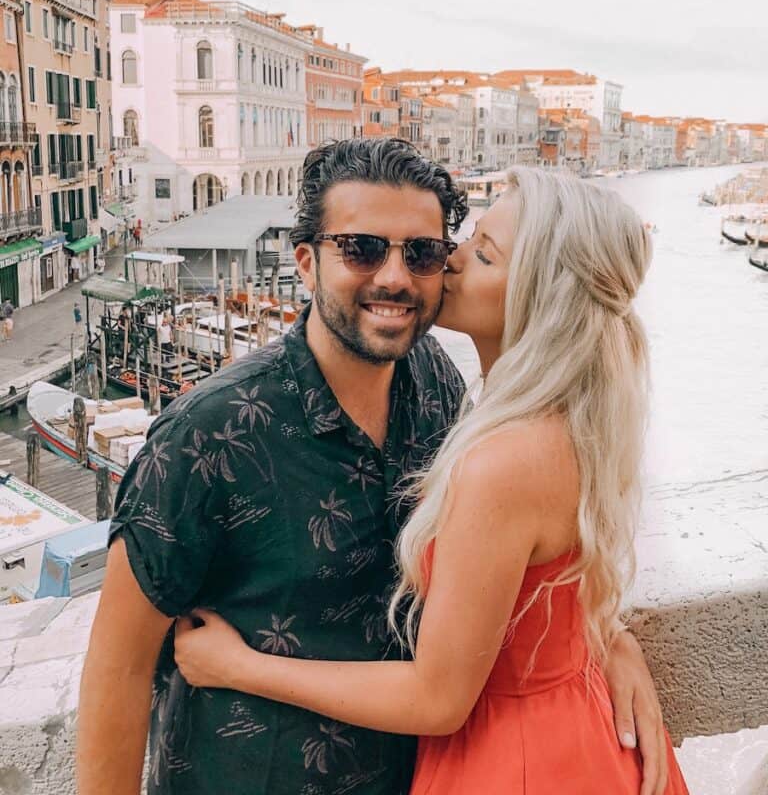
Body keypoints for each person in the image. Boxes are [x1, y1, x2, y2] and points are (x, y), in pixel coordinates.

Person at [78, 141, 670, 795]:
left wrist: (603, 637)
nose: (395, 277)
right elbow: (118, 669)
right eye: (361, 249)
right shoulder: (206, 434)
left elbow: (521, 561)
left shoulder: (439, 387)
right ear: (306, 263)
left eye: (421, 252)